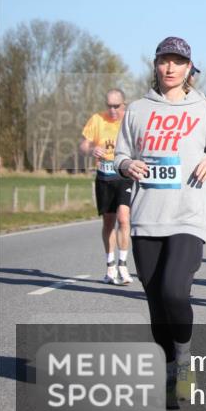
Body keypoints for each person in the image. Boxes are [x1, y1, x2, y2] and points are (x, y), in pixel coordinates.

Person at [114, 37, 206, 409]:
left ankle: (184, 361)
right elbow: (120, 152)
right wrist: (125, 165)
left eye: (177, 62)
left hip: (187, 215)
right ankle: (168, 367)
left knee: (173, 292)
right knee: (155, 303)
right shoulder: (137, 110)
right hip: (147, 216)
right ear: (155, 65)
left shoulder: (201, 108)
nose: (170, 68)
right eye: (164, 61)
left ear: (188, 69)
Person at [80, 89, 133, 286]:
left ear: (124, 105)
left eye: (116, 106)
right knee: (109, 223)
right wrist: (92, 149)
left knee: (124, 218)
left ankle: (123, 265)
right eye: (109, 106)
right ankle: (110, 266)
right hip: (104, 177)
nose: (112, 110)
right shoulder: (97, 120)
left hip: (124, 176)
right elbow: (83, 145)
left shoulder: (129, 120)